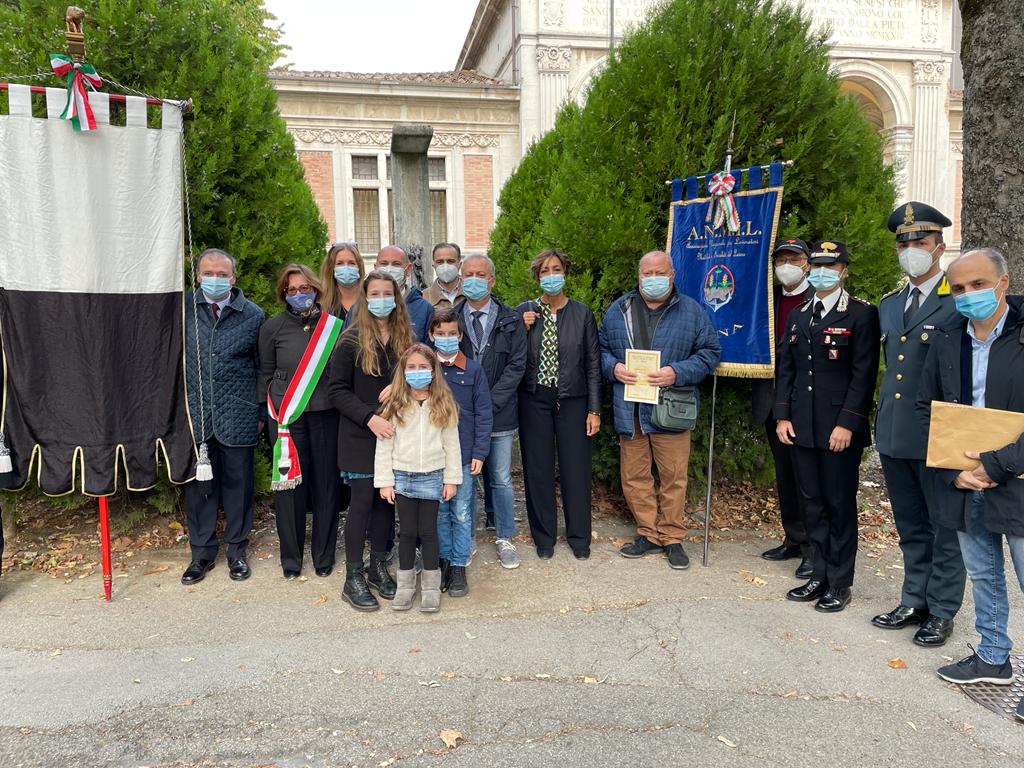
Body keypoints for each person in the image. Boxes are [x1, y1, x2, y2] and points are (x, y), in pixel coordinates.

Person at [917, 248, 1024, 721]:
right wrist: (951, 469)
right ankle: (993, 656)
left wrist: (998, 465)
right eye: (957, 289)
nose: (967, 296)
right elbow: (927, 407)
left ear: (1003, 283)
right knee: (983, 572)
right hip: (962, 478)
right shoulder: (945, 338)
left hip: (1017, 476)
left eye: (977, 285)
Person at [872, 202, 965, 646]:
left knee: (944, 527)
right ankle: (914, 598)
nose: (911, 249)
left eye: (920, 242)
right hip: (895, 432)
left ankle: (942, 610)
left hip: (940, 434)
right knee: (910, 524)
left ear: (939, 247)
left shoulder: (957, 303)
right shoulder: (889, 306)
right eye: (904, 243)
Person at [775, 241, 880, 612]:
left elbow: (863, 375)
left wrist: (848, 424)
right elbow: (787, 370)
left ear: (844, 271)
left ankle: (839, 581)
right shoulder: (799, 315)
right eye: (817, 265)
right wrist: (783, 416)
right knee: (812, 503)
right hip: (801, 426)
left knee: (838, 505)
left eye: (830, 266)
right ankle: (818, 573)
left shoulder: (861, 314)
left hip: (838, 429)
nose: (822, 271)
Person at [598, 250, 720, 570]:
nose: (653, 279)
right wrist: (614, 368)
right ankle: (648, 533)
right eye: (647, 274)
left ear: (672, 274)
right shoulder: (619, 310)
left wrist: (676, 373)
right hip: (631, 408)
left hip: (671, 407)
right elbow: (600, 351)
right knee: (635, 476)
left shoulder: (692, 311)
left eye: (659, 273)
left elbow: (709, 353)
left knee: (673, 477)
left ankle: (672, 536)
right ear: (638, 277)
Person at [329, 270, 415, 611]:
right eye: (374, 293)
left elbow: (424, 373)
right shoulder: (350, 340)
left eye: (387, 293)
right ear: (365, 299)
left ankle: (378, 566)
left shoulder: (405, 338)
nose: (381, 299)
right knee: (362, 502)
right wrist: (370, 417)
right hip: (360, 434)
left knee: (386, 502)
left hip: (394, 435)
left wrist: (401, 383)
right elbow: (336, 391)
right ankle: (353, 577)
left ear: (396, 298)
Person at [181, 248, 264, 585]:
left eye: (222, 274)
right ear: (197, 275)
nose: (215, 279)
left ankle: (236, 551)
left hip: (237, 413)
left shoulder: (253, 315)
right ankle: (200, 553)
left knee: (238, 487)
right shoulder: (182, 309)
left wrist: (260, 411)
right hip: (196, 415)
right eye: (208, 273)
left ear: (233, 277)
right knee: (199, 489)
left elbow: (262, 368)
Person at [259, 264, 342, 579]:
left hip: (326, 415)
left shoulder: (333, 326)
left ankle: (324, 556)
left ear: (316, 290)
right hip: (287, 419)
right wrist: (266, 416)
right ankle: (291, 560)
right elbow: (265, 374)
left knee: (326, 487)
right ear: (284, 294)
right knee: (290, 489)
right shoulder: (272, 328)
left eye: (304, 288)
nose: (299, 294)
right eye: (292, 290)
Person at [517, 249, 601, 560]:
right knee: (537, 469)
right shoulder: (524, 312)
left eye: (556, 269)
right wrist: (520, 328)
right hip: (534, 399)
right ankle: (544, 537)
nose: (551, 275)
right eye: (544, 271)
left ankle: (579, 538)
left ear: (565, 273)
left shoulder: (582, 313)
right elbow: (512, 358)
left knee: (575, 469)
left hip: (573, 400)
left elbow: (593, 364)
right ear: (537, 277)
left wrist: (594, 409)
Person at [375, 343, 463, 612]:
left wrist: (451, 479)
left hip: (433, 477)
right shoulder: (395, 404)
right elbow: (384, 445)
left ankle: (430, 587)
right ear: (403, 372)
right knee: (408, 532)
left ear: (433, 371)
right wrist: (385, 481)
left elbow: (452, 444)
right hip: (403, 476)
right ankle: (405, 586)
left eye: (423, 367)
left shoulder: (443, 403)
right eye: (411, 367)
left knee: (428, 532)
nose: (417, 371)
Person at [454, 254, 527, 569]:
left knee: (499, 477)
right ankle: (466, 538)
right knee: (466, 480)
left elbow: (517, 366)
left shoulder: (510, 320)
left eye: (480, 274)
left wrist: (489, 400)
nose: (473, 279)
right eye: (468, 273)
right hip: (462, 418)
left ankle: (505, 536)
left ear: (492, 280)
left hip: (499, 413)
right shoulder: (451, 318)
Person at [751, 238, 815, 577]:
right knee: (785, 476)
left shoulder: (816, 299)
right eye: (781, 259)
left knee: (807, 478)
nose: (786, 264)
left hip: (804, 403)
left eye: (794, 258)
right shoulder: (769, 300)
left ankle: (811, 548)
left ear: (807, 262)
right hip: (772, 401)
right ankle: (793, 537)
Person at [430, 308, 492, 596]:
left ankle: (459, 565)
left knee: (462, 512)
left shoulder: (473, 369)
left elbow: (483, 413)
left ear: (460, 335)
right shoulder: (425, 371)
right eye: (440, 334)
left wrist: (480, 452)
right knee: (440, 512)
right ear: (431, 336)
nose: (446, 339)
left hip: (465, 455)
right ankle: (443, 560)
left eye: (451, 334)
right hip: (434, 457)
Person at [376, 245, 433, 342]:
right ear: (375, 268)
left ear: (409, 269)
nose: (389, 269)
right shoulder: (360, 308)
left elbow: (428, 351)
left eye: (396, 264)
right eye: (384, 264)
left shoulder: (424, 309)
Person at [321, 240, 365, 324]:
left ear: (359, 267)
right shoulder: (322, 303)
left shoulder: (369, 299)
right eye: (340, 263)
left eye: (351, 263)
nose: (346, 267)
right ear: (332, 269)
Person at [422, 242, 467, 309]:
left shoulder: (471, 292)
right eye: (440, 262)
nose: (445, 266)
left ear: (459, 264)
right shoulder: (423, 297)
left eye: (450, 261)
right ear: (433, 265)